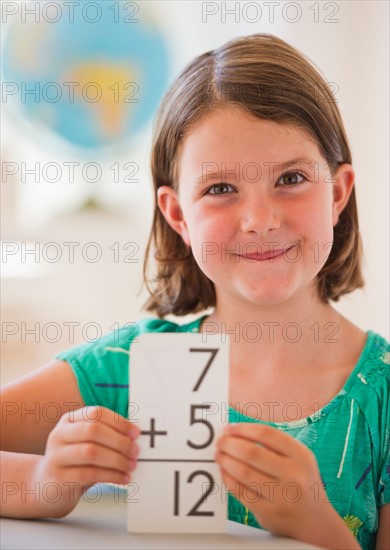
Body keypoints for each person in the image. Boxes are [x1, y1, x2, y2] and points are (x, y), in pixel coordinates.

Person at [1, 33, 388, 550]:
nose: (259, 220)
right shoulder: (127, 369)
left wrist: (317, 527)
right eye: (221, 189)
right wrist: (39, 481)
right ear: (178, 214)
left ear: (338, 194)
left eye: (291, 178)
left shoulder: (381, 400)